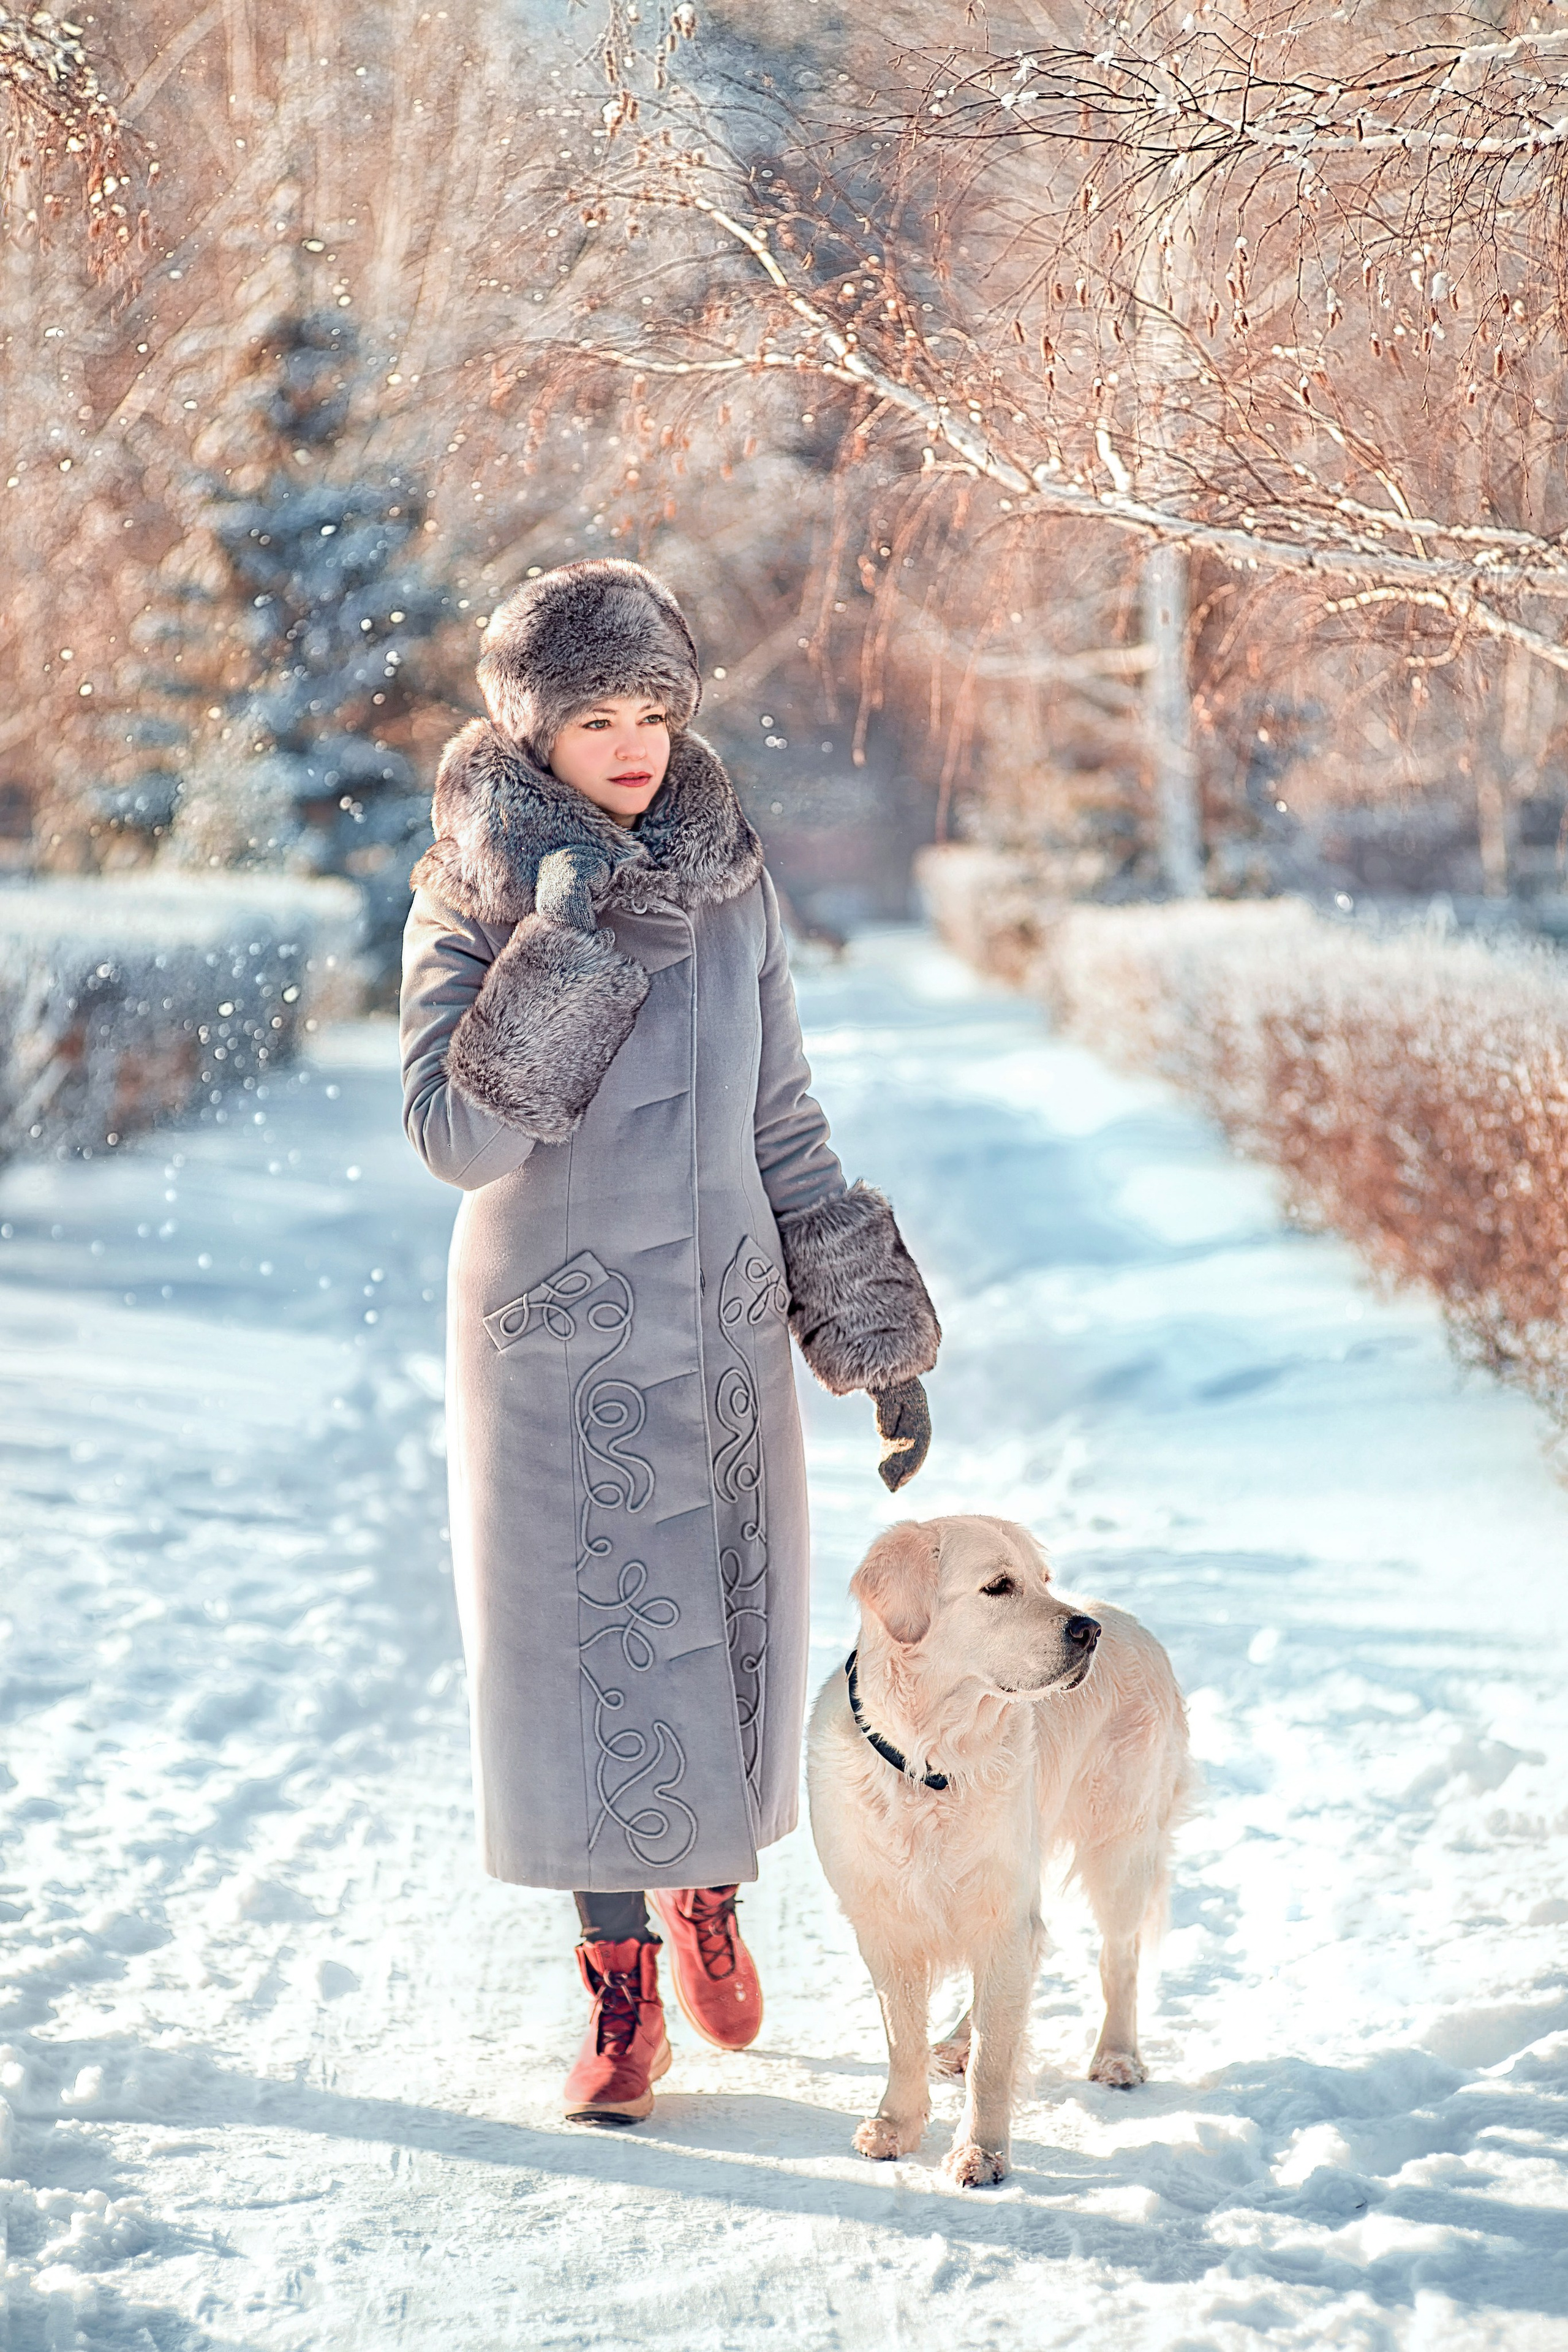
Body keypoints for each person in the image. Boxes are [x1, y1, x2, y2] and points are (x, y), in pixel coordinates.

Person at [398, 559, 940, 2125]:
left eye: (653, 710)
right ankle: (617, 1981)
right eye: (594, 716)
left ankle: (710, 1893)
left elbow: (782, 1117)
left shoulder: (731, 880)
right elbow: (451, 1140)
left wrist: (868, 1325)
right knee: (584, 1663)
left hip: (713, 1326)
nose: (631, 744)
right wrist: (558, 955)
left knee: (726, 1628)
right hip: (553, 1347)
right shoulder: (469, 888)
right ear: (533, 729)